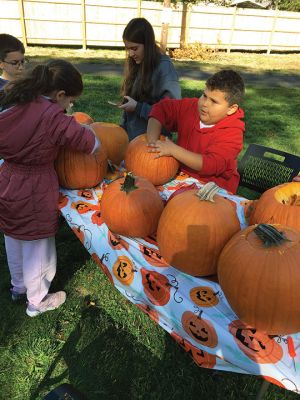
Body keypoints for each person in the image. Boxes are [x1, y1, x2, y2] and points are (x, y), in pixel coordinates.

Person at [0, 59, 100, 317]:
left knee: (14, 236)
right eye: (70, 101)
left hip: (8, 177)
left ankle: (18, 286)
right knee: (38, 246)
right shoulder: (53, 117)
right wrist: (91, 132)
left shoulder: (17, 103)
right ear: (60, 95)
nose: (70, 107)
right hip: (35, 186)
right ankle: (38, 300)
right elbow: (89, 142)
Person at [147, 69, 245, 194]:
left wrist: (173, 150)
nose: (205, 104)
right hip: (180, 178)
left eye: (214, 101)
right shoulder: (191, 108)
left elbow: (211, 164)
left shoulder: (233, 133)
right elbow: (161, 109)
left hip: (213, 189)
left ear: (231, 109)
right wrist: (152, 141)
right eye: (204, 96)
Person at [118, 17, 181, 141]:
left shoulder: (164, 69)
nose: (130, 54)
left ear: (147, 44)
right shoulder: (137, 64)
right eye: (128, 49)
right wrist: (123, 128)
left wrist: (138, 107)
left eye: (135, 48)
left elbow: (171, 114)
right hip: (133, 143)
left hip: (154, 146)